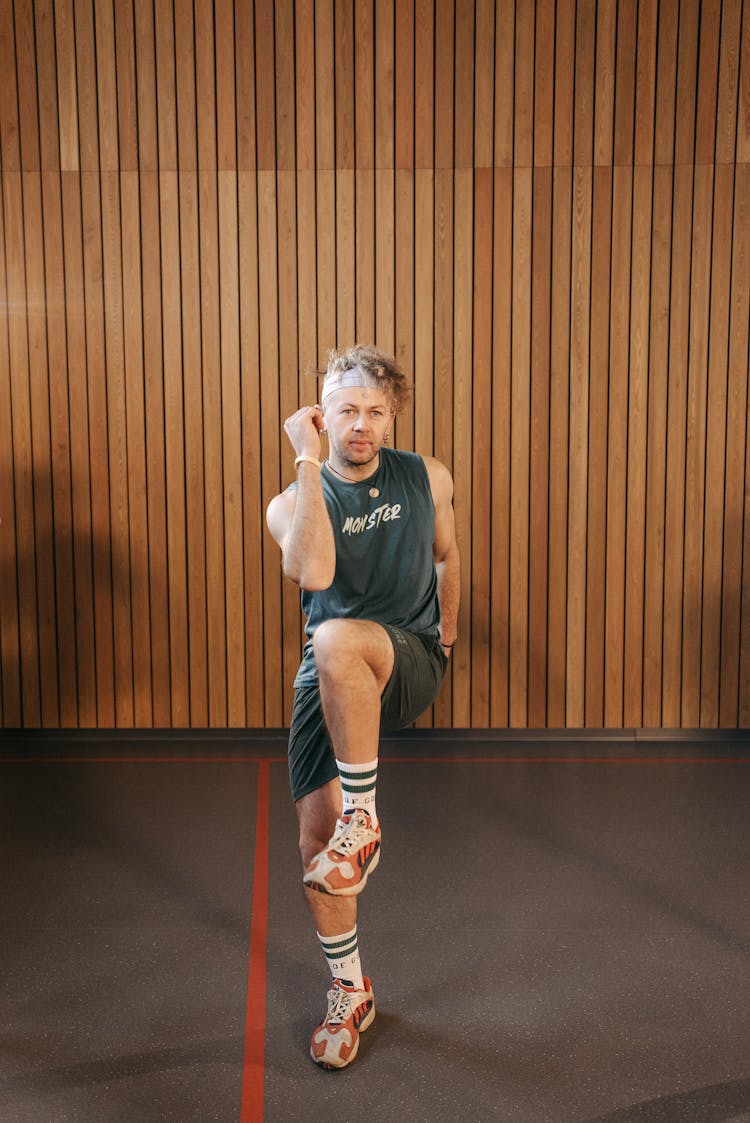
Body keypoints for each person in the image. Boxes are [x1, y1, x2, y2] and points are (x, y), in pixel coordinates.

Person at [266, 345, 460, 1070]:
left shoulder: (425, 476)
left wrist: (452, 626)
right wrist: (306, 461)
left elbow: (446, 552)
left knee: (340, 633)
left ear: (393, 416)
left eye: (376, 411)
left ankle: (365, 817)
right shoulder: (291, 503)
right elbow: (312, 570)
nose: (362, 424)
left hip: (404, 654)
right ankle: (351, 992)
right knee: (317, 855)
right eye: (346, 409)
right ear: (323, 413)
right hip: (329, 673)